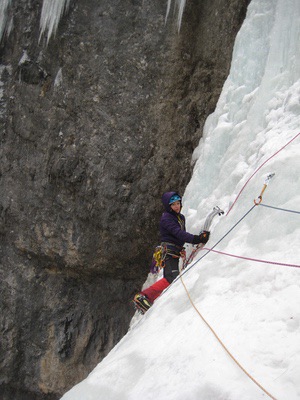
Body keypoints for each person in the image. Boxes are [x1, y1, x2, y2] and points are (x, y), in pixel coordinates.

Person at [133, 191, 210, 313]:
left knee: (170, 277)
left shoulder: (180, 217)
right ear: (169, 206)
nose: (177, 206)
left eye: (178, 203)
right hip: (169, 251)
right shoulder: (166, 218)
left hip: (174, 251)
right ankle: (143, 296)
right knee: (172, 277)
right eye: (173, 204)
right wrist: (197, 239)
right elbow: (178, 233)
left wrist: (182, 248)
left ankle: (150, 299)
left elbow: (179, 236)